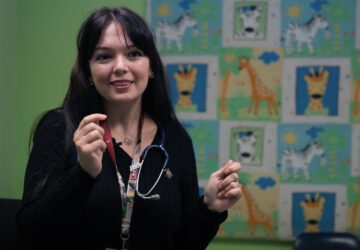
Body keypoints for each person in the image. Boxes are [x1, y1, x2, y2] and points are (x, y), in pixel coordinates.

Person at [16, 6, 242, 250]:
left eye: (134, 54)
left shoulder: (176, 139)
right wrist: (83, 173)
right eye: (104, 56)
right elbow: (31, 233)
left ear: (151, 67)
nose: (120, 66)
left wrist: (209, 209)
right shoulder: (61, 128)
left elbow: (181, 244)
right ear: (89, 71)